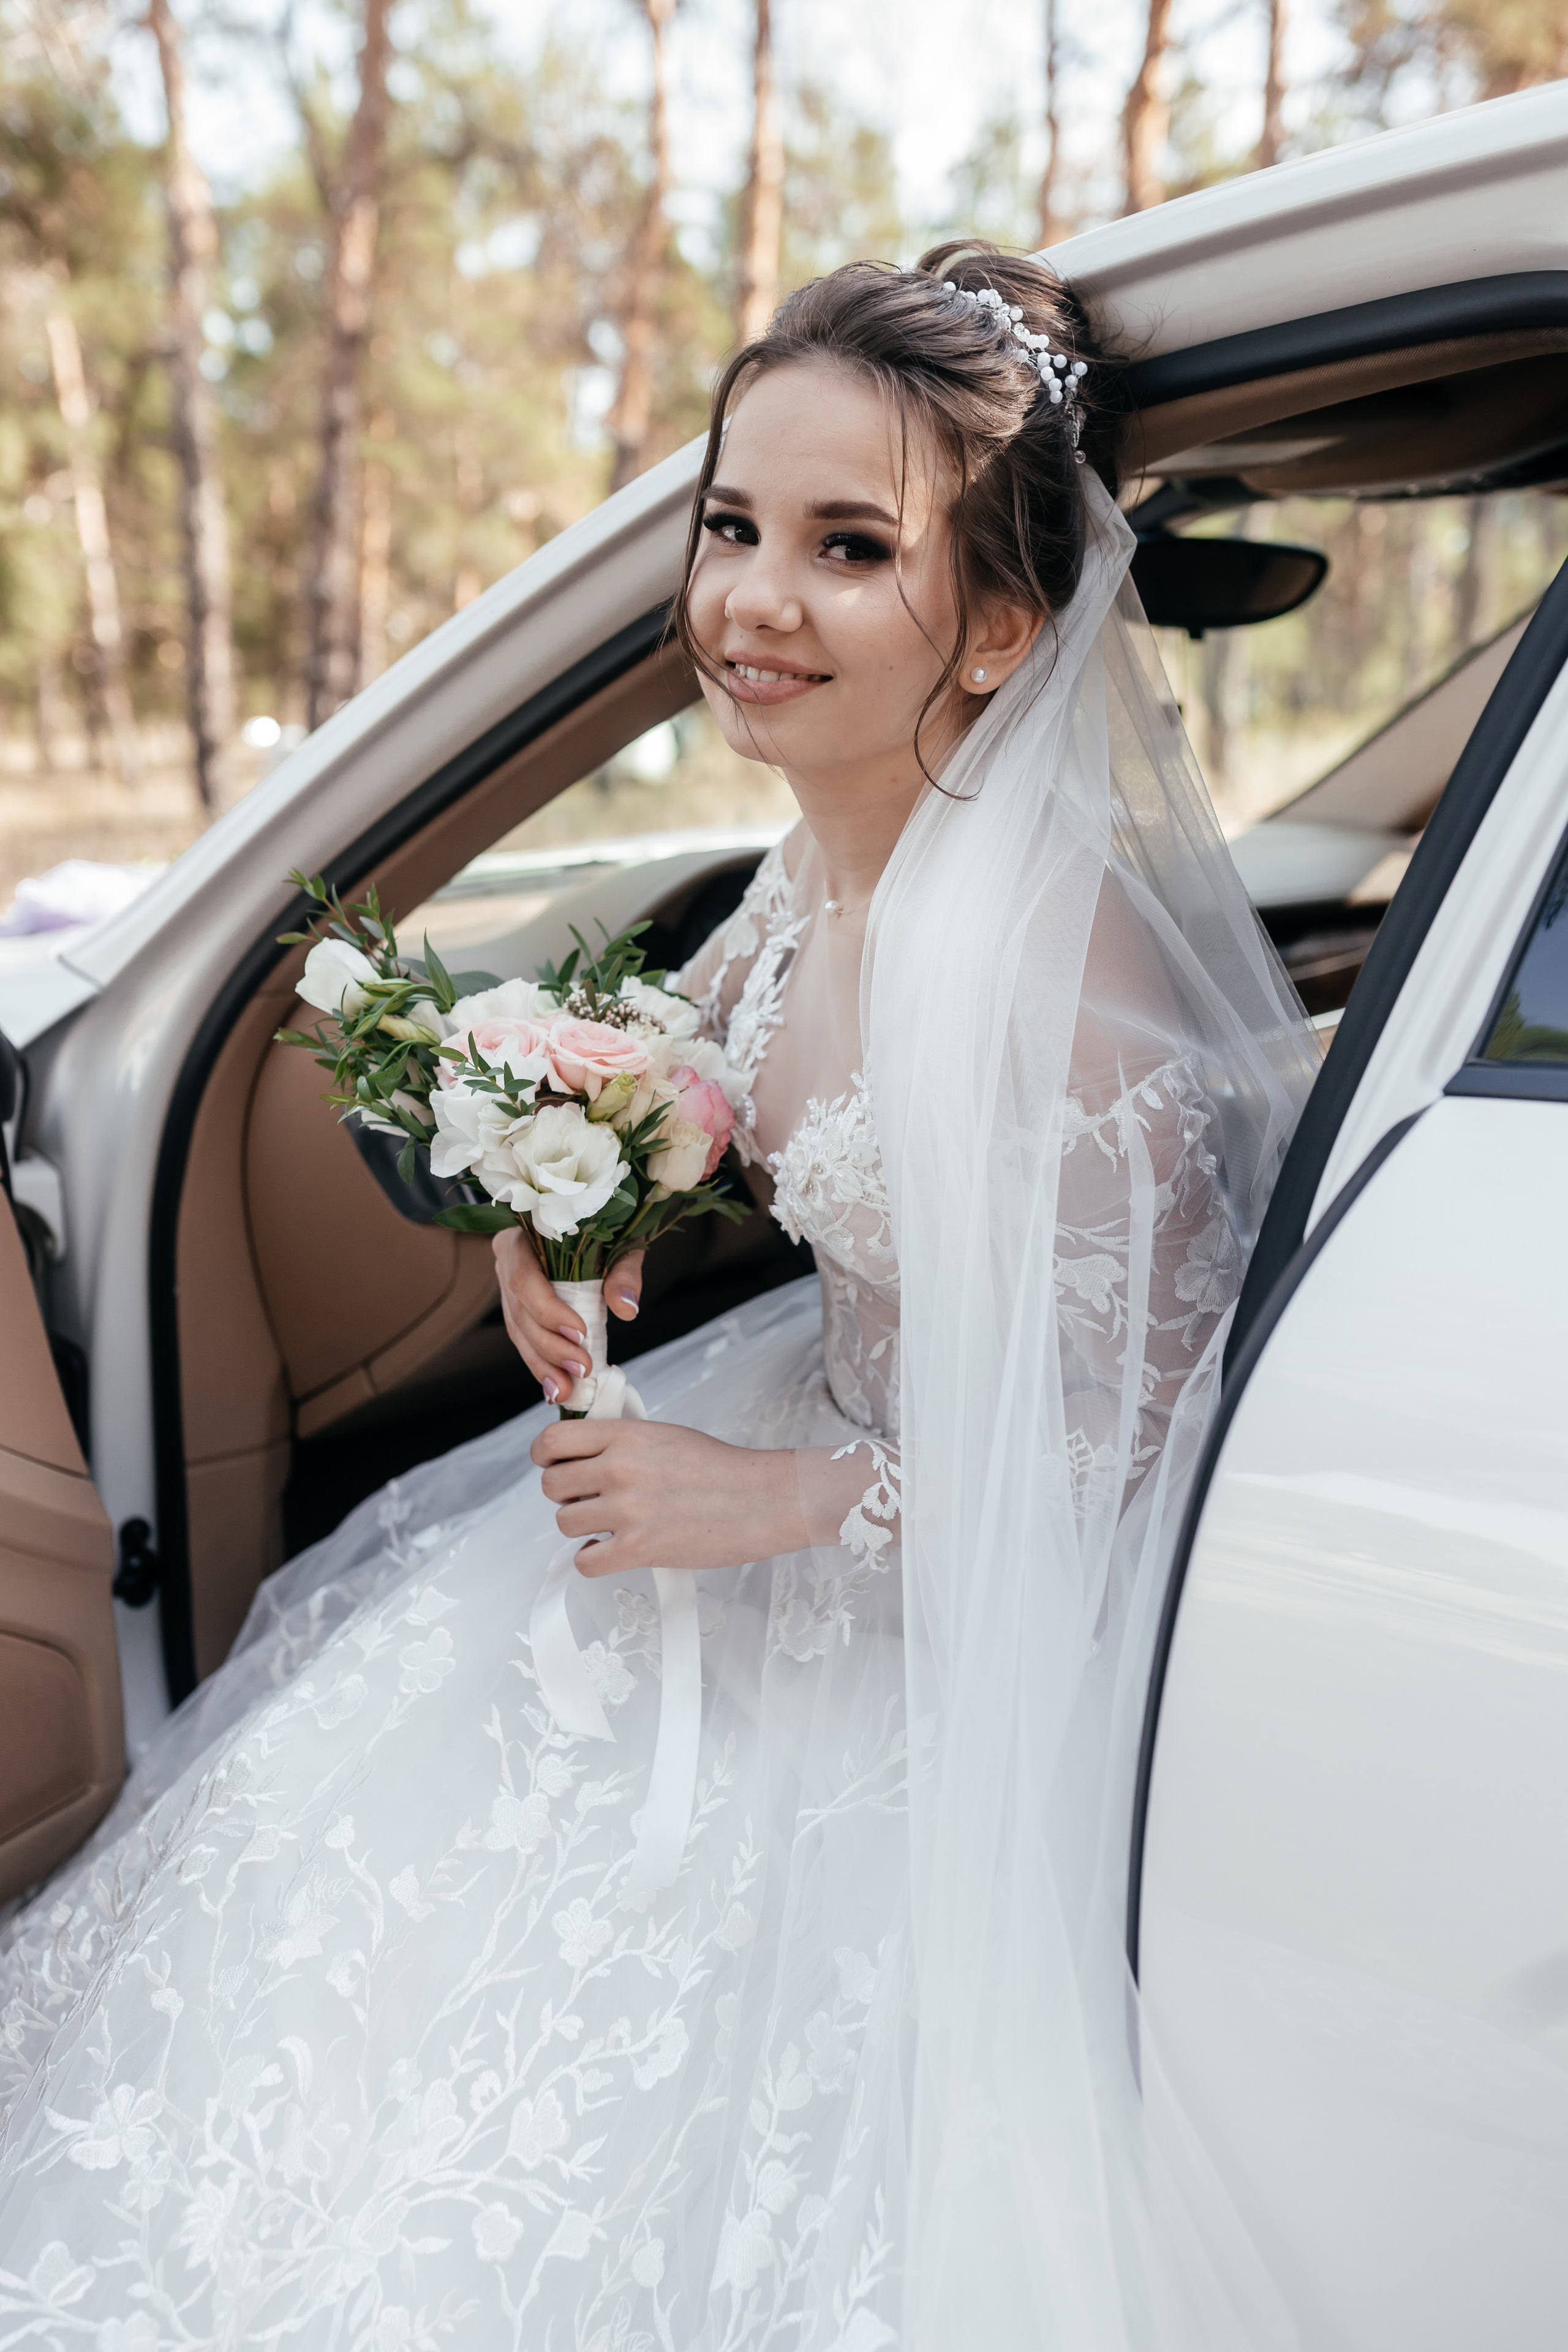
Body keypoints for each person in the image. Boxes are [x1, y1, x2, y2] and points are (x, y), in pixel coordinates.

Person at [0, 246, 1318, 2348]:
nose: (753, 601)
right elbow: (702, 1055)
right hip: (794, 1439)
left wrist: (790, 1504)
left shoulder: (1083, 1018)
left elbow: (1134, 1482)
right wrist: (581, 1188)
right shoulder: (831, 851)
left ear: (996, 626)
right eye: (733, 525)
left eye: (849, 547)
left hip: (943, 1625)